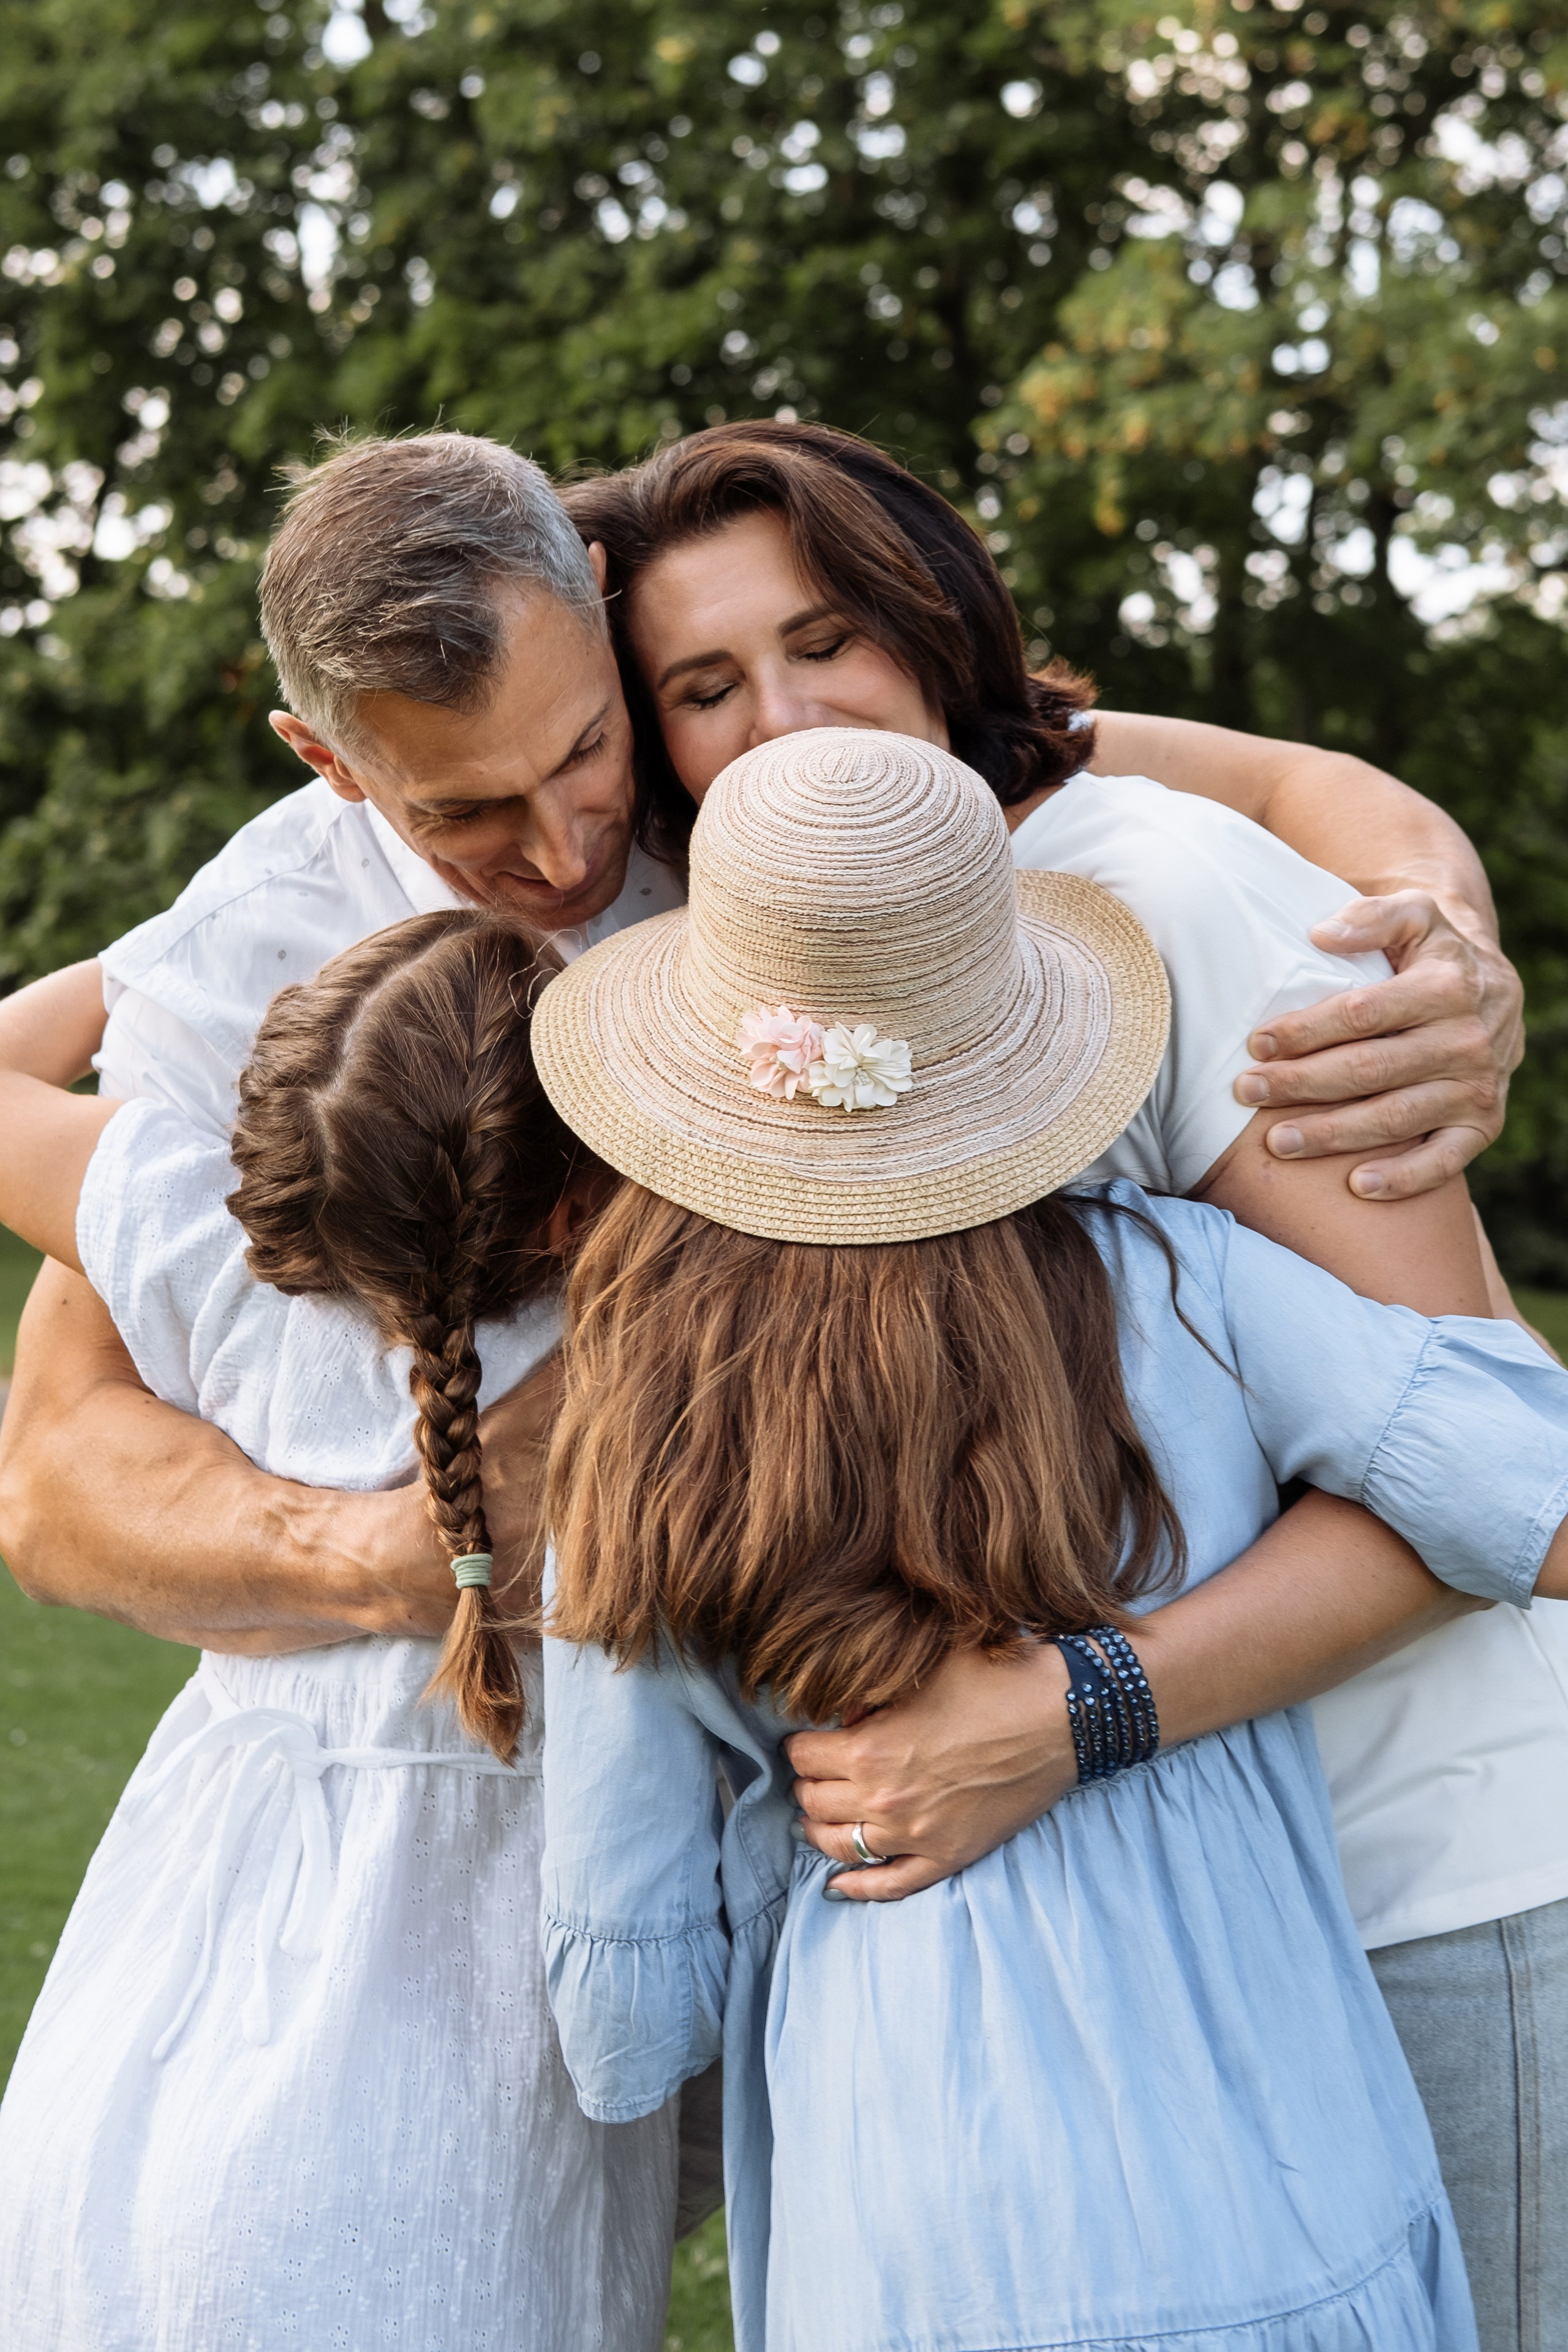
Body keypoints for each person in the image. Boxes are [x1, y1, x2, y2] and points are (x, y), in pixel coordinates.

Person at [0, 424, 1544, 2303]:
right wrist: (425, 1549)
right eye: (706, 687)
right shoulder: (294, 956)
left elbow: (1490, 1453)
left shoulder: (1027, 867)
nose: (564, 848)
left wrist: (1442, 920)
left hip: (1353, 1872)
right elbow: (53, 1474)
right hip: (936, 1966)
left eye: (592, 750)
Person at [563, 417, 1568, 2345]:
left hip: (1415, 1874)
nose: (787, 717)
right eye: (706, 685)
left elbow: (1487, 1460)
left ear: (934, 624)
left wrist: (1069, 1715)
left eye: (829, 638)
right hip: (1147, 1962)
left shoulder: (1151, 897)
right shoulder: (775, 981)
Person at [0, 913, 678, 2351]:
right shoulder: (648, 1323)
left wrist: (167, 957)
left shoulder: (204, 1256)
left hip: (151, 2018)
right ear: (570, 1201)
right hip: (475, 2075)